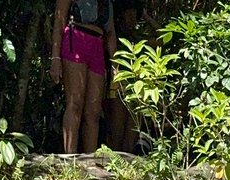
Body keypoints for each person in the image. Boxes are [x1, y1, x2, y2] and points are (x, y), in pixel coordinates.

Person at [51, 0, 117, 153]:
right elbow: (59, 20)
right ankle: (70, 158)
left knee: (93, 110)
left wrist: (115, 64)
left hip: (97, 45)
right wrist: (55, 58)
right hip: (76, 39)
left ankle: (89, 160)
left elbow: (111, 32)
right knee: (75, 102)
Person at [106, 0, 160, 153]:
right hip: (117, 88)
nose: (131, 21)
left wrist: (145, 15)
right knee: (116, 131)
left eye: (134, 17)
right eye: (127, 17)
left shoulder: (139, 40)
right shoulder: (115, 39)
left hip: (136, 91)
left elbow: (164, 38)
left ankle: (128, 165)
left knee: (132, 130)